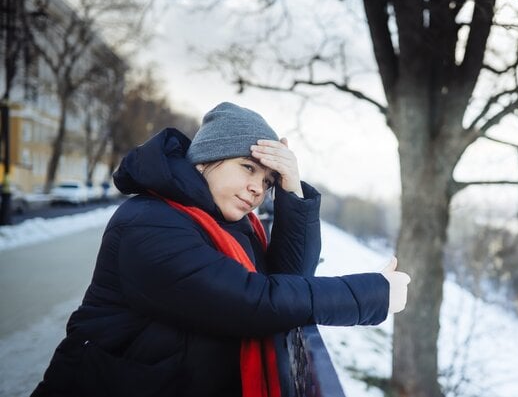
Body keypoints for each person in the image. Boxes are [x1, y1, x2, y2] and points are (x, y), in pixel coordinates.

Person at [31, 102, 411, 397]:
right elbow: (253, 301)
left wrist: (293, 190)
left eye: (267, 181)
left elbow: (290, 278)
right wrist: (371, 293)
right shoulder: (149, 222)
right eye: (247, 168)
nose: (257, 189)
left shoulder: (233, 226)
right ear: (205, 160)